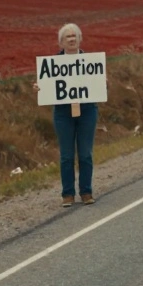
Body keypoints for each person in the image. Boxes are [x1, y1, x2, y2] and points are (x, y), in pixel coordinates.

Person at [51, 23, 97, 207]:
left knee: (85, 153)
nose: (71, 39)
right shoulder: (52, 64)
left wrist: (105, 84)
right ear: (61, 42)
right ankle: (67, 194)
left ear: (80, 39)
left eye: (74, 36)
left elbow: (99, 87)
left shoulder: (91, 62)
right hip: (63, 113)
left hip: (87, 111)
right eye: (67, 37)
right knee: (67, 155)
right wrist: (40, 88)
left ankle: (86, 192)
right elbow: (47, 88)